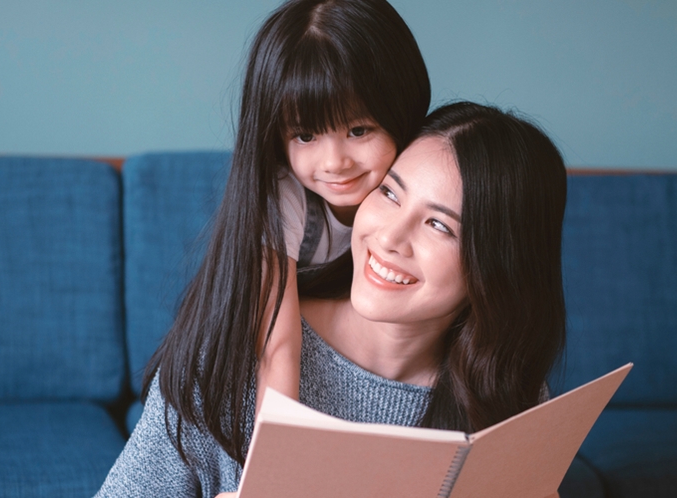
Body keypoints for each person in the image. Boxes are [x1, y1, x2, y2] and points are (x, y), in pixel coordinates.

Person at [96, 101, 569, 497]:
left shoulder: (506, 389)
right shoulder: (228, 359)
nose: (389, 238)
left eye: (439, 225)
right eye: (390, 193)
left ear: (501, 267)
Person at [139, 0, 431, 475]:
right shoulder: (283, 196)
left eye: (359, 130)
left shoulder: (423, 181)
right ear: (277, 135)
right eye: (305, 136)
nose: (335, 162)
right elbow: (278, 343)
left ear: (402, 113)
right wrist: (274, 471)